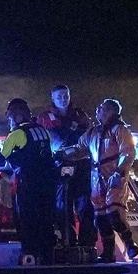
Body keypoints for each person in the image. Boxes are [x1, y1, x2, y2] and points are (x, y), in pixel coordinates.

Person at [0, 97, 59, 264]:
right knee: (46, 218)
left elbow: (1, 157)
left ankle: (30, 254)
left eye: (10, 118)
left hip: (29, 182)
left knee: (28, 218)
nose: (9, 121)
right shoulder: (43, 130)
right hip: (48, 183)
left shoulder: (16, 134)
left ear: (17, 117)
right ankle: (48, 256)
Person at [38, 84, 94, 246]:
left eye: (65, 96)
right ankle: (68, 241)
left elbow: (90, 136)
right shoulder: (44, 118)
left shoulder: (80, 115)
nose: (63, 99)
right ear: (53, 98)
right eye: (59, 97)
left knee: (85, 204)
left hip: (81, 165)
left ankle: (87, 243)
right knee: (62, 206)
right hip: (59, 166)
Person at [84, 97, 138, 263]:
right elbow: (79, 148)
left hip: (114, 177)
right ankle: (108, 252)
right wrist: (62, 154)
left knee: (114, 212)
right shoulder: (93, 132)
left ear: (110, 111)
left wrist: (119, 171)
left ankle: (130, 244)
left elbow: (128, 152)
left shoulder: (120, 130)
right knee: (100, 217)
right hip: (97, 179)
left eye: (101, 108)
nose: (98, 110)